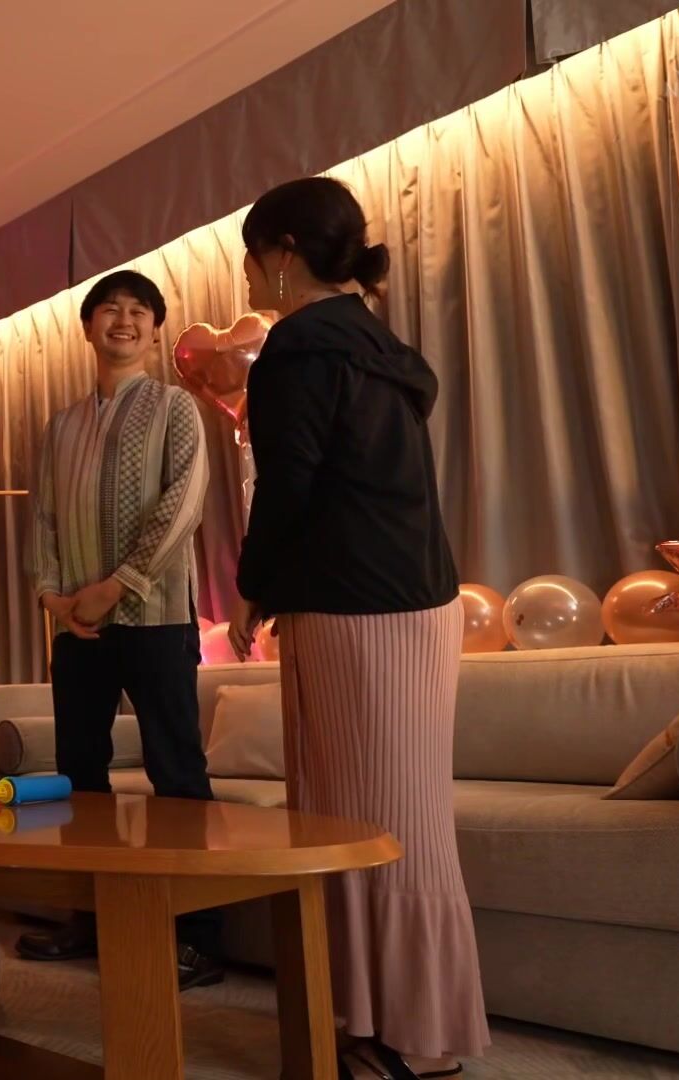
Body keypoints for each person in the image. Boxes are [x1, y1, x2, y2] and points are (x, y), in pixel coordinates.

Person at [230, 176, 487, 1080]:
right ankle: (383, 1020)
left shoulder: (298, 347)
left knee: (362, 821)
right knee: (395, 814)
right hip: (420, 601)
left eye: (251, 258)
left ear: (284, 254)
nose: (247, 277)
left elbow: (288, 486)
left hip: (352, 606)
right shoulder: (382, 347)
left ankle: (406, 1035)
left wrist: (252, 585)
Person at [16, 268, 226, 989]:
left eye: (139, 311)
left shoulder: (175, 407)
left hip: (155, 617)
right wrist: (52, 595)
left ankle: (198, 938)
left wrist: (118, 585)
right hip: (78, 627)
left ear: (155, 331)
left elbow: (183, 504)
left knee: (177, 770)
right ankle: (89, 919)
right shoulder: (61, 424)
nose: (124, 321)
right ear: (88, 327)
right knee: (79, 774)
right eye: (110, 309)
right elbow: (44, 515)